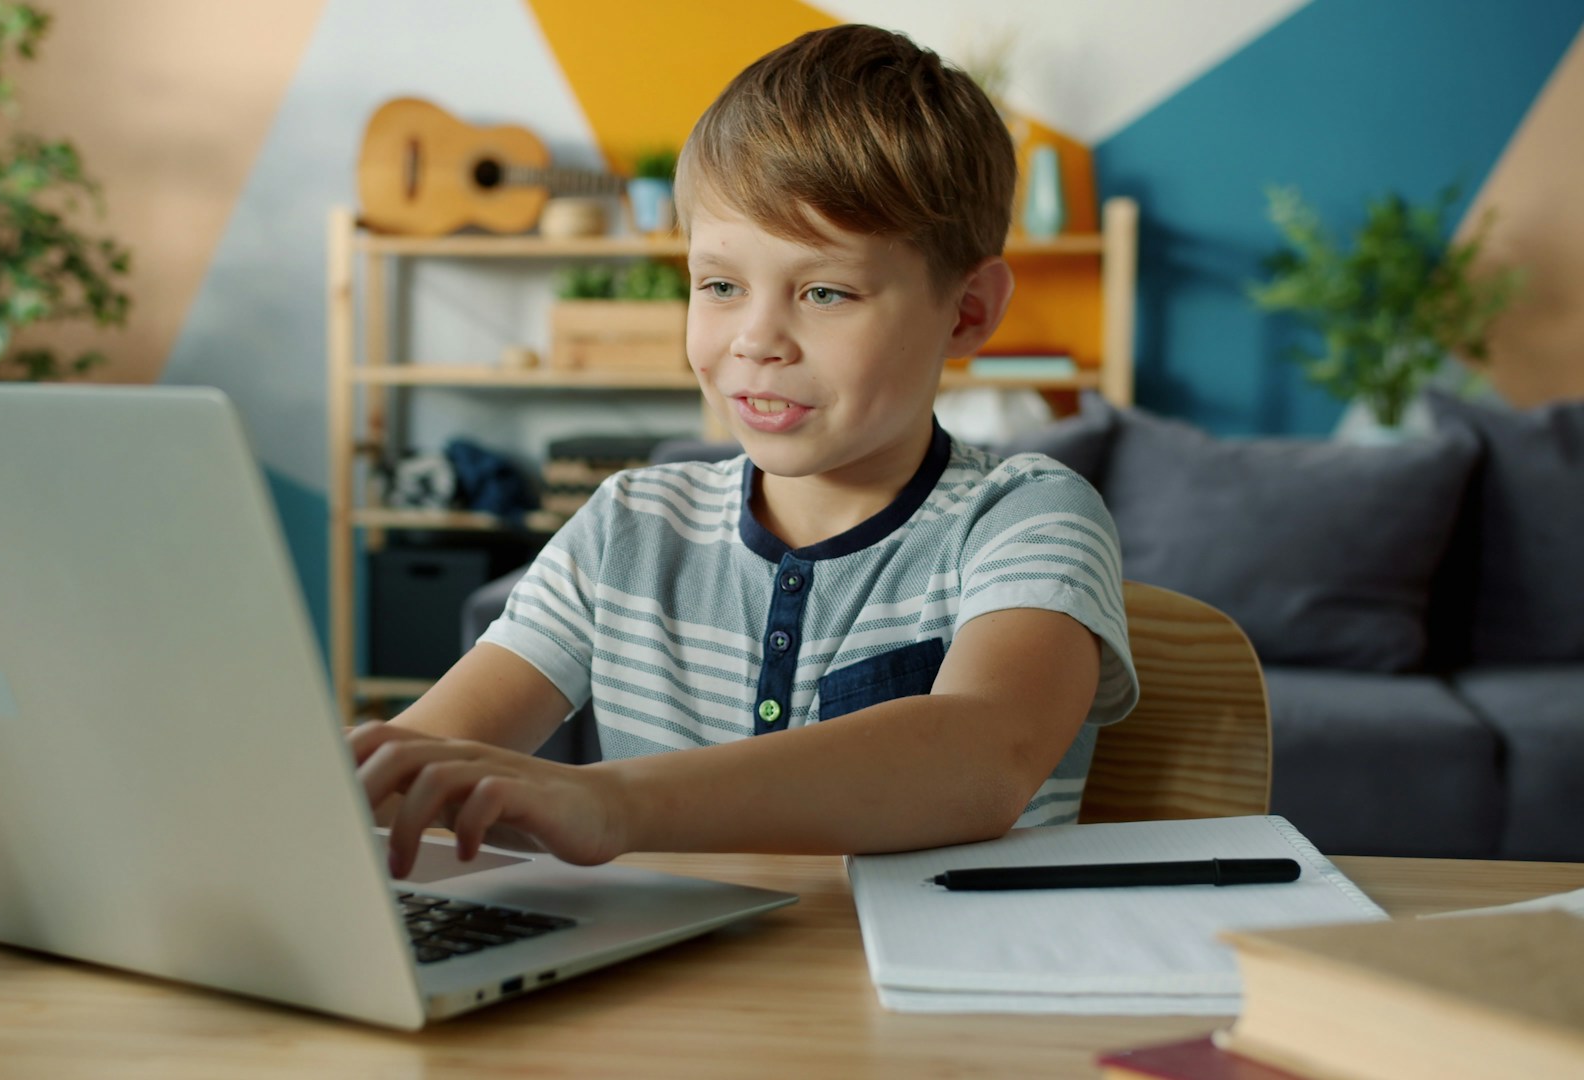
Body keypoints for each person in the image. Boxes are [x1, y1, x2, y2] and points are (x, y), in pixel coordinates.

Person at [349, 24, 1138, 879]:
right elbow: (422, 757)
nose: (756, 340)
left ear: (969, 311)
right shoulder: (628, 526)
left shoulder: (1025, 514)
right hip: (666, 998)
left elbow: (983, 758)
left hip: (939, 1001)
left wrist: (612, 803)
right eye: (720, 285)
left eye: (825, 291)